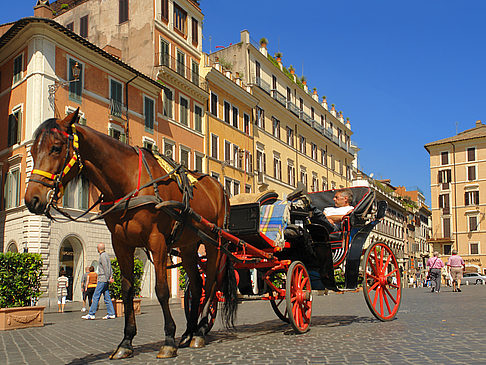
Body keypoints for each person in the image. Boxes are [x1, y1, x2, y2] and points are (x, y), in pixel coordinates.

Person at [82, 243, 116, 320]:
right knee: (107, 296)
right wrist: (111, 276)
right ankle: (111, 313)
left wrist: (108, 278)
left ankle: (91, 314)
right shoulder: (106, 255)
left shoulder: (102, 256)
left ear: (98, 248)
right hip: (105, 279)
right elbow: (109, 267)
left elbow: (105, 268)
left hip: (102, 279)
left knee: (96, 296)